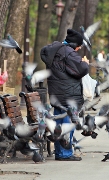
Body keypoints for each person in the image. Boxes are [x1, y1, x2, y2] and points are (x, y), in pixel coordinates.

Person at [40, 29, 89, 161]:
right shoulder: (68, 52)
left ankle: (60, 152)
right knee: (68, 122)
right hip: (68, 94)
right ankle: (64, 153)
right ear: (74, 45)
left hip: (57, 93)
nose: (78, 49)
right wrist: (85, 63)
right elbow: (81, 70)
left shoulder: (55, 50)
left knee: (59, 123)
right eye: (78, 47)